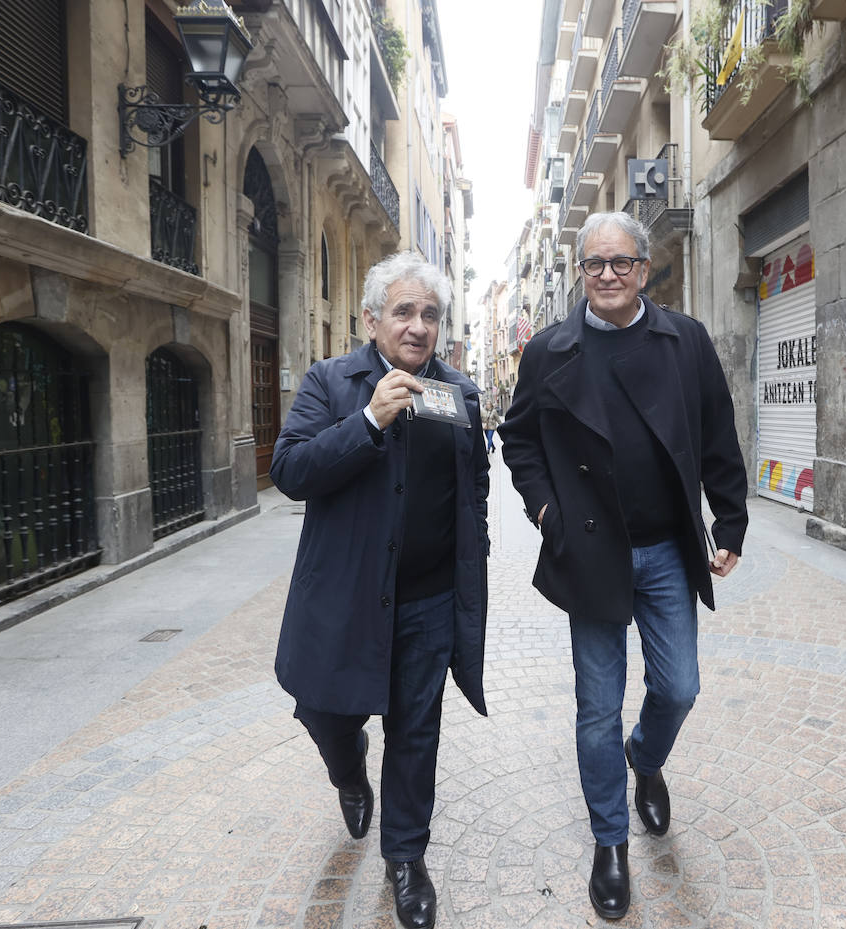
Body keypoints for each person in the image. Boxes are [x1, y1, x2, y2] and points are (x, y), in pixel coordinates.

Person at [498, 212, 748, 920]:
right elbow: (519, 442)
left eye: (622, 262)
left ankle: (647, 755)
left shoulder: (685, 341)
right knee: (595, 707)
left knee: (679, 686)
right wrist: (546, 514)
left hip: (668, 546)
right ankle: (611, 844)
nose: (607, 274)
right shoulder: (549, 350)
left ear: (644, 270)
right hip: (591, 550)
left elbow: (718, 429)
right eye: (594, 264)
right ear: (582, 272)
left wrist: (729, 517)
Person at [271, 251, 489, 929]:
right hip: (346, 599)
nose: (418, 326)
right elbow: (290, 469)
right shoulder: (331, 382)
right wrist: (367, 422)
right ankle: (348, 767)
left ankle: (405, 859)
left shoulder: (460, 394)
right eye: (403, 311)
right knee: (324, 712)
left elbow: (473, 486)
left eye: (429, 313)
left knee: (416, 731)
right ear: (372, 320)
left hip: (426, 601)